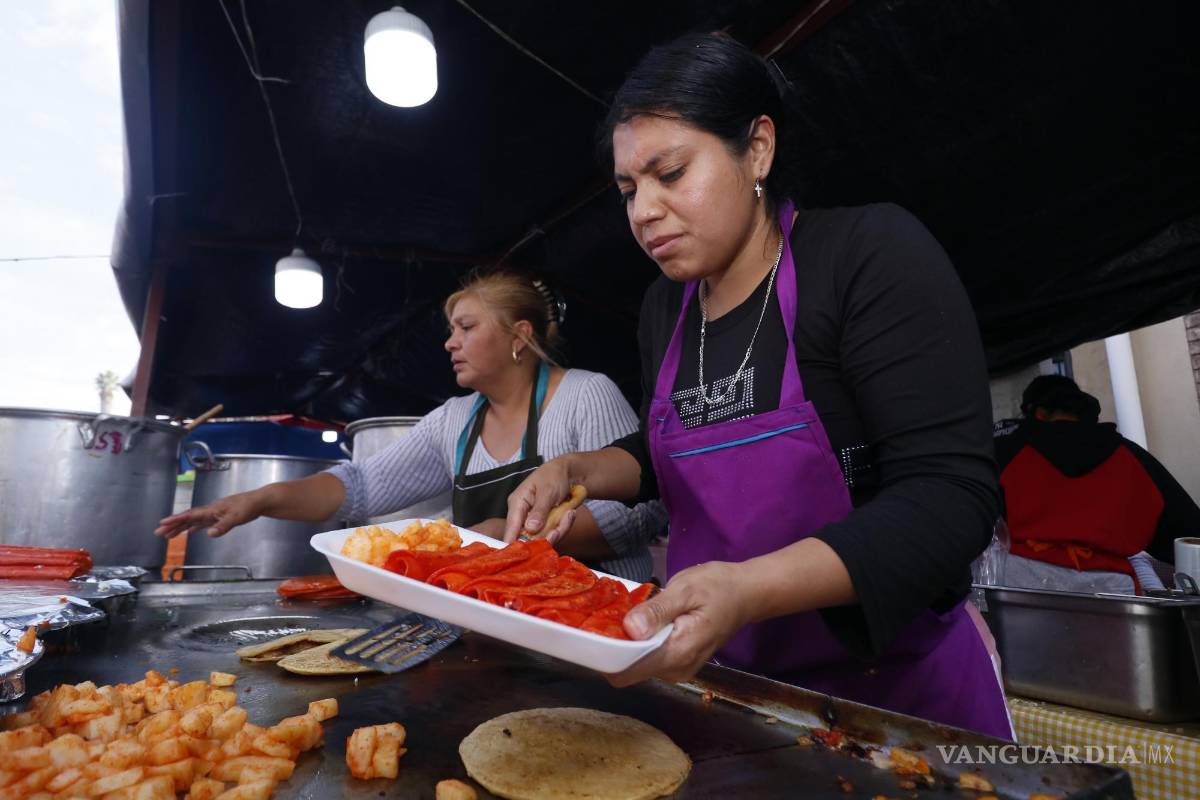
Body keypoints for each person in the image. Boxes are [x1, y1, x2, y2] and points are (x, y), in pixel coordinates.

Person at [503, 33, 1012, 738]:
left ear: (759, 149)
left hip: (895, 705)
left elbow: (950, 497)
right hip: (730, 692)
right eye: (628, 190)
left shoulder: (865, 257)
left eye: (670, 173)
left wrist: (744, 590)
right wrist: (576, 470)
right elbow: (673, 450)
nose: (643, 211)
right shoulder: (665, 308)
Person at [156, 272, 667, 582]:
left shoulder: (584, 393)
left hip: (598, 625)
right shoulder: (454, 421)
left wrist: (508, 540)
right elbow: (360, 487)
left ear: (519, 335)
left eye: (466, 328)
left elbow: (638, 515)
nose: (450, 342)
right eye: (451, 330)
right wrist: (257, 501)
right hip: (502, 621)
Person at [993, 374, 1198, 593]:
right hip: (1112, 593)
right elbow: (1188, 531)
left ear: (1039, 414)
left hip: (1020, 589)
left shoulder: (1007, 448)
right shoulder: (1130, 456)